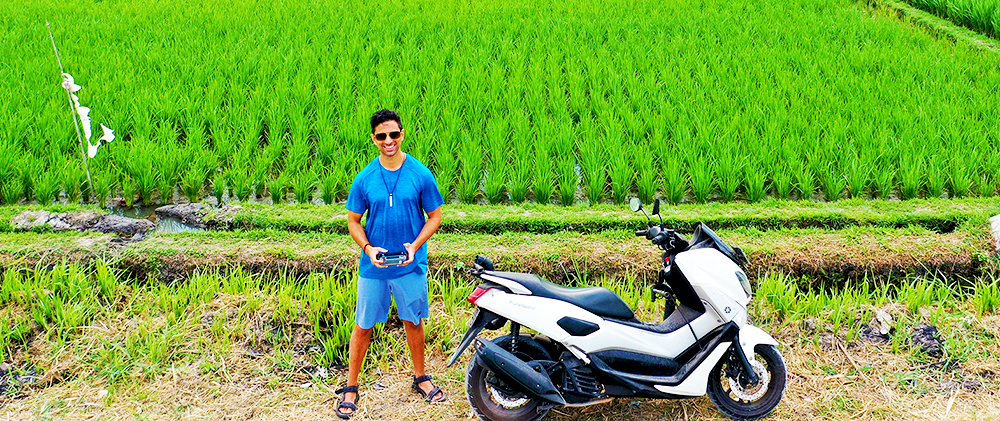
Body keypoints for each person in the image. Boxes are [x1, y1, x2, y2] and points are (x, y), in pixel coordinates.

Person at [335, 109, 446, 419]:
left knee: (414, 320)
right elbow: (353, 222)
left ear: (402, 134)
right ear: (373, 139)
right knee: (364, 324)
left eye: (393, 134)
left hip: (411, 264)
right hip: (375, 267)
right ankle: (351, 386)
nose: (388, 141)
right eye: (381, 136)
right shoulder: (364, 178)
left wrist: (416, 245)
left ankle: (421, 377)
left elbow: (434, 216)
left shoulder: (421, 174)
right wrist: (368, 248)